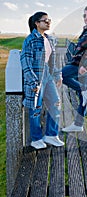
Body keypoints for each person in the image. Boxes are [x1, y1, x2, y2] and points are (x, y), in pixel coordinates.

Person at [20, 12, 64, 149]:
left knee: (55, 103)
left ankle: (51, 135)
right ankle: (36, 139)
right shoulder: (30, 40)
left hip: (48, 76)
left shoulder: (50, 39)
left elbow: (52, 62)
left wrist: (58, 75)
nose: (48, 22)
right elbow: (25, 62)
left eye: (49, 20)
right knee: (35, 108)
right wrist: (33, 82)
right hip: (36, 77)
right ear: (37, 23)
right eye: (45, 20)